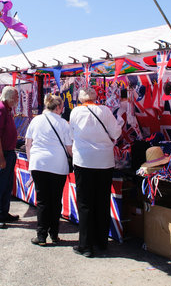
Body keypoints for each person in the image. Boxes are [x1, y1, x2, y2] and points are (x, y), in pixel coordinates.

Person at [69, 87, 121, 258]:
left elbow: (71, 135)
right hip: (104, 161)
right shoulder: (105, 111)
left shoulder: (75, 112)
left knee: (85, 203)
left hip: (83, 161)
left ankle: (86, 245)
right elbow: (116, 132)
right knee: (102, 200)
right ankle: (101, 241)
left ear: (81, 99)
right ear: (95, 97)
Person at [25, 93, 72, 246]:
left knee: (43, 200)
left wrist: (31, 162)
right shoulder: (64, 123)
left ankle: (41, 235)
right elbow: (69, 147)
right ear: (58, 108)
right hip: (58, 165)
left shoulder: (36, 120)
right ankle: (54, 234)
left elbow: (28, 144)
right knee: (55, 200)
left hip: (39, 163)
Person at [0, 86, 20, 229]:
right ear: (11, 97)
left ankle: (3, 213)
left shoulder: (6, 109)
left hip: (8, 151)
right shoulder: (0, 109)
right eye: (17, 97)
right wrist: (1, 157)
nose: (18, 99)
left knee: (6, 184)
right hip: (2, 152)